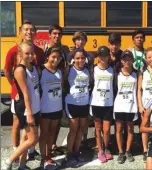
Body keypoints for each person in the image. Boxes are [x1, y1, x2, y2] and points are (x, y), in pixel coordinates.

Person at [4, 20, 43, 164]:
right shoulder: (13, 50)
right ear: (21, 31)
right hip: (19, 93)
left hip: (33, 92)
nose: (29, 32)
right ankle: (15, 150)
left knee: (30, 125)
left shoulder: (38, 51)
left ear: (35, 33)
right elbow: (8, 71)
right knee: (17, 122)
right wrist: (15, 88)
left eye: (32, 30)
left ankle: (30, 152)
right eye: (26, 29)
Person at [43, 24, 69, 155]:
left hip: (60, 86)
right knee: (46, 120)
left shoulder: (64, 49)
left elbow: (67, 66)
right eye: (54, 33)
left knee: (58, 119)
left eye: (59, 34)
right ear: (50, 35)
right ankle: (45, 148)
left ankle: (53, 144)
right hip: (48, 87)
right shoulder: (45, 48)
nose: (57, 36)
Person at [63, 48, 91, 167]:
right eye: (78, 58)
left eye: (82, 58)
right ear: (73, 59)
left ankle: (76, 151)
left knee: (81, 129)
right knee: (73, 129)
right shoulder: (68, 69)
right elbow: (62, 82)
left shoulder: (88, 69)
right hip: (72, 102)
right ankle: (69, 154)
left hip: (84, 103)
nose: (80, 60)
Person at [39, 47, 63, 169]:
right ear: (48, 56)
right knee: (44, 133)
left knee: (52, 134)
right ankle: (43, 157)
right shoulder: (41, 70)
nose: (56, 59)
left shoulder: (59, 71)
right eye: (53, 57)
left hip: (57, 107)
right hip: (45, 108)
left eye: (58, 57)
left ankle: (48, 155)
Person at [90, 46, 114, 163]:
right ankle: (100, 150)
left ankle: (106, 148)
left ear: (108, 56)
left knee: (107, 129)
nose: (103, 57)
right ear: (97, 57)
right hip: (96, 103)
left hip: (108, 103)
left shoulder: (112, 69)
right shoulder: (93, 69)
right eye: (100, 55)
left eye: (105, 55)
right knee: (98, 129)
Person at [114, 50, 138, 164]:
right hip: (119, 106)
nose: (127, 61)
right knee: (119, 130)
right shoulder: (117, 74)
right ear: (121, 61)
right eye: (125, 59)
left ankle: (128, 150)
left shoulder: (136, 74)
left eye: (129, 59)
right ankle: (120, 152)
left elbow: (137, 91)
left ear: (133, 61)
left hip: (131, 106)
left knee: (130, 130)